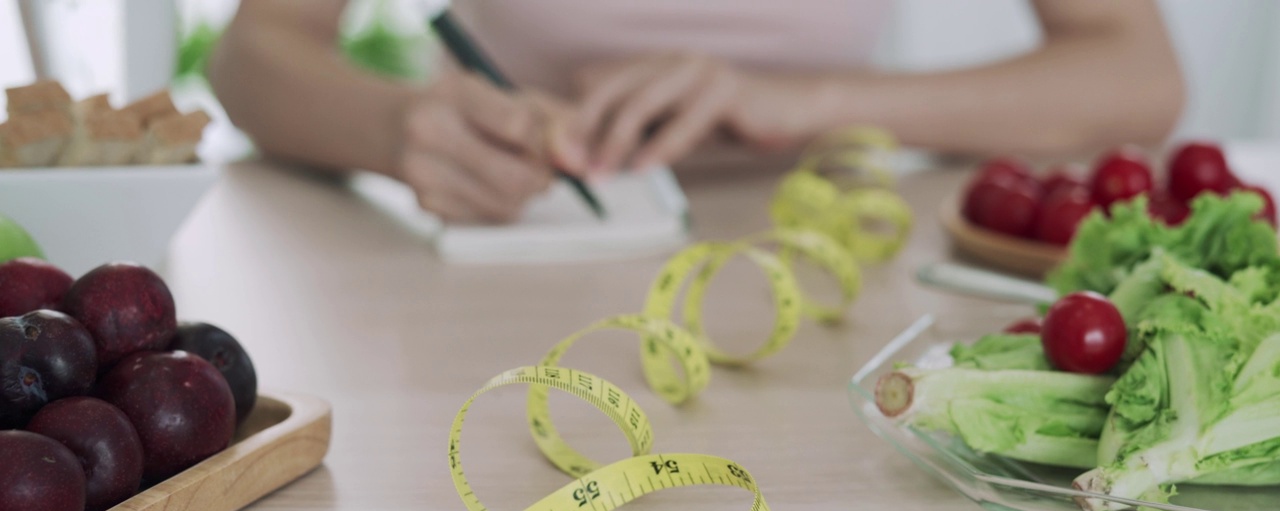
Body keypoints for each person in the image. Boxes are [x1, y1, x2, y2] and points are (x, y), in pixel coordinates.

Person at [209, 0, 1185, 223]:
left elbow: (1135, 73)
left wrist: (803, 103)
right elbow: (252, 53)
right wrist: (393, 126)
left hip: (817, 249)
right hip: (518, 238)